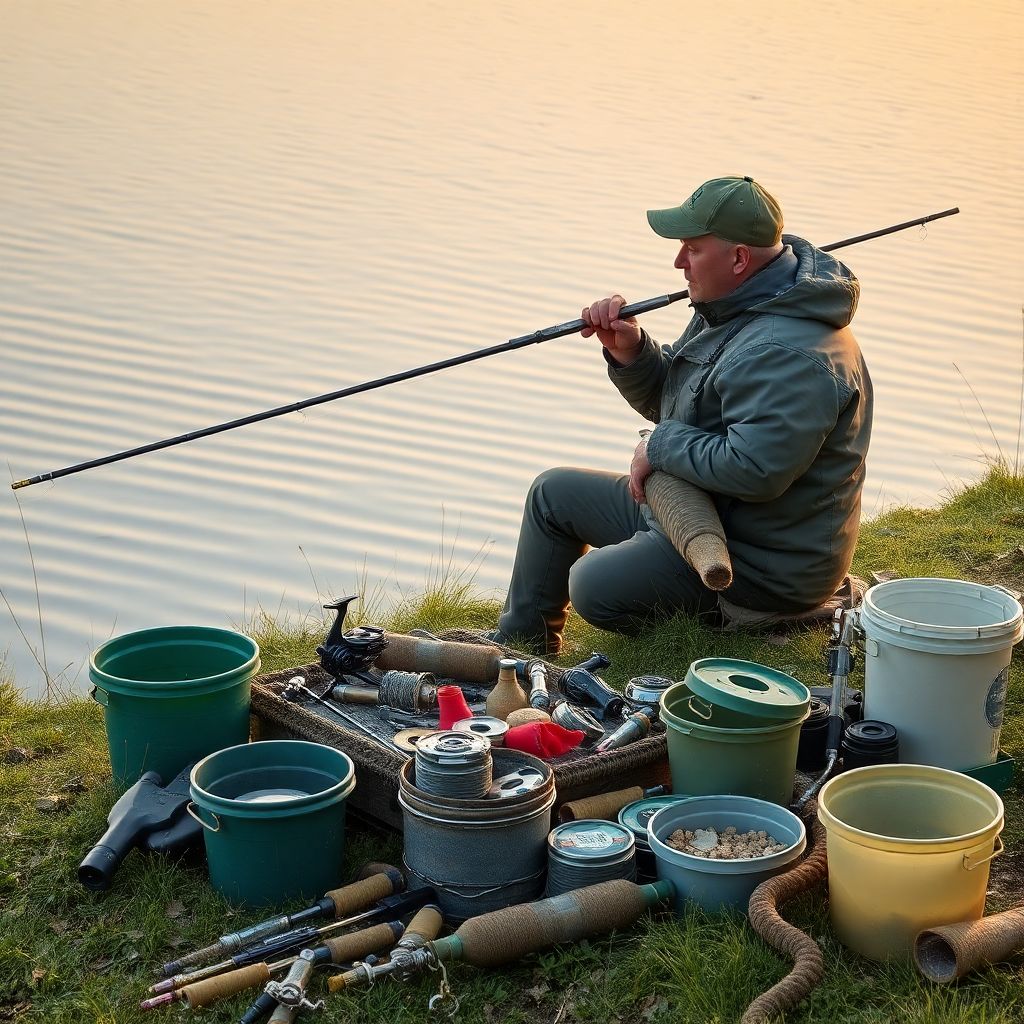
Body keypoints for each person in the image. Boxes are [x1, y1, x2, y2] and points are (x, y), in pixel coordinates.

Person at [491, 176, 873, 656]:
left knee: (592, 584)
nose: (677, 262)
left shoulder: (788, 352)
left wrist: (659, 445)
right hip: (696, 511)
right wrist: (631, 351)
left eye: (692, 249)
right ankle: (519, 649)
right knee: (554, 494)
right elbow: (686, 403)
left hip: (757, 564)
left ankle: (741, 627)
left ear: (738, 258)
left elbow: (756, 471)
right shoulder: (736, 304)